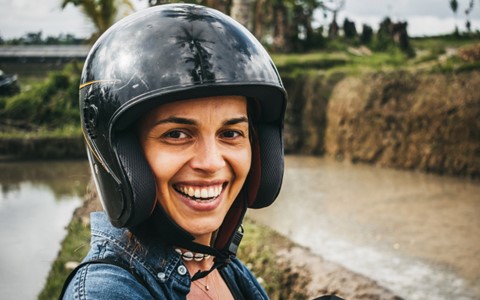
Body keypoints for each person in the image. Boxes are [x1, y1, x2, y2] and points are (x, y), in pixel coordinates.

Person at [61, 3, 286, 299]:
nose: (211, 162)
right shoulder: (106, 293)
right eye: (177, 134)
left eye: (230, 133)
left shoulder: (220, 265)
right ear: (124, 157)